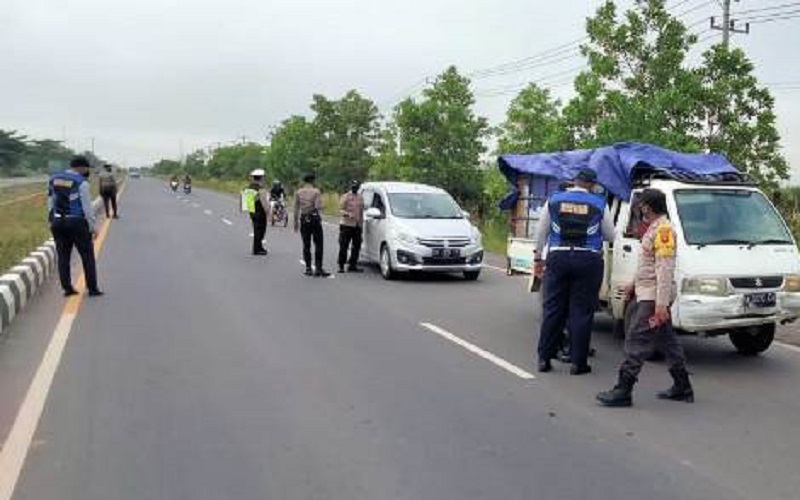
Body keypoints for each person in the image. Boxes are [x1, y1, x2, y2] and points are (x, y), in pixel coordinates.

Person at [597, 189, 694, 407]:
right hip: (648, 293)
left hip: (653, 299)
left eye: (641, 205)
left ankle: (623, 390)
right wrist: (633, 284)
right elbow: (647, 265)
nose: (639, 209)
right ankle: (683, 386)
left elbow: (664, 268)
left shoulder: (663, 231)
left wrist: (660, 305)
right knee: (667, 341)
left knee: (636, 340)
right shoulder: (655, 228)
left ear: (647, 207)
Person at [533, 168, 614, 375]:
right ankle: (579, 363)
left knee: (552, 309)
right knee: (582, 312)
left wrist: (538, 259)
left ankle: (544, 358)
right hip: (588, 259)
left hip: (558, 257)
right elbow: (610, 235)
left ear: (575, 181)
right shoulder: (599, 203)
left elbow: (541, 232)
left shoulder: (554, 200)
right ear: (592, 184)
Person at [48, 156, 103, 297]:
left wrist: (51, 220)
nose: (87, 171)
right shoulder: (81, 182)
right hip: (77, 222)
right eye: (86, 168)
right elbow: (87, 207)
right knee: (87, 256)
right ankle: (92, 288)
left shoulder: (54, 179)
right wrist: (92, 227)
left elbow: (50, 201)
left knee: (63, 256)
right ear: (81, 167)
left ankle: (67, 288)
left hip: (58, 222)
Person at [293, 173, 329, 277]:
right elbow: (317, 206)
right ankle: (318, 268)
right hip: (314, 219)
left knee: (306, 244)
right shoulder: (316, 191)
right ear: (313, 181)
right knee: (318, 244)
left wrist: (295, 222)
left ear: (304, 181)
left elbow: (296, 208)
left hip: (304, 219)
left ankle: (308, 268)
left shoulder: (299, 192)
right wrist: (324, 207)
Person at [338, 180, 364, 273]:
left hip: (357, 225)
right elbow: (340, 210)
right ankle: (341, 265)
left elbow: (361, 212)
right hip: (346, 225)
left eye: (356, 186)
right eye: (353, 186)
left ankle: (353, 265)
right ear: (351, 187)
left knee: (356, 246)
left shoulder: (360, 197)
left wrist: (361, 225)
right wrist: (348, 214)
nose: (355, 188)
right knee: (344, 245)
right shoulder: (345, 196)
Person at [242, 169, 270, 255]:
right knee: (261, 230)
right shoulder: (260, 189)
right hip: (260, 212)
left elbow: (246, 201)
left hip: (252, 211)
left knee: (256, 229)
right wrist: (267, 211)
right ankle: (257, 249)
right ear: (261, 178)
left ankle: (259, 247)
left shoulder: (248, 188)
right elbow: (264, 202)